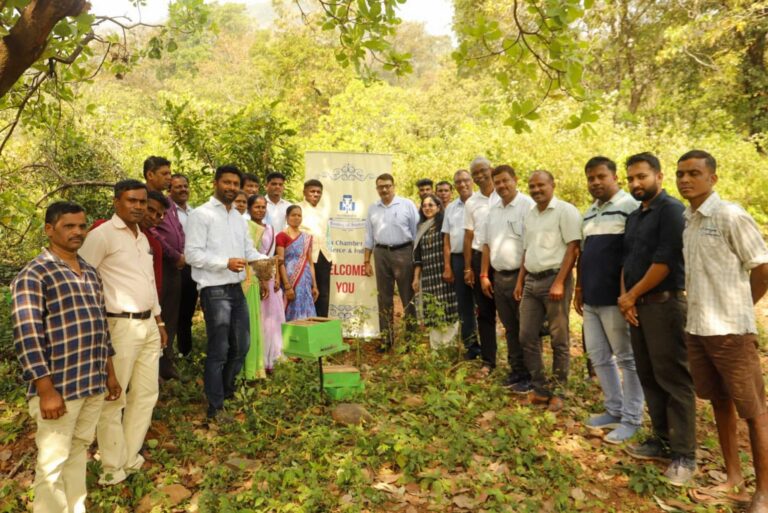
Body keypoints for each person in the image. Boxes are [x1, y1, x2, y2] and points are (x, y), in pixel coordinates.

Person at [12, 201, 121, 512]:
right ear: (49, 230)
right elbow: (28, 336)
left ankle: (75, 507)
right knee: (52, 463)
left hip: (92, 382)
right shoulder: (34, 275)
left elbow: (101, 326)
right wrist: (46, 391)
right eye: (68, 226)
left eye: (81, 225)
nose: (77, 232)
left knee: (79, 450)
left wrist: (109, 374)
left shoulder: (89, 271)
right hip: (59, 389)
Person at [676, 149, 768, 507]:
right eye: (681, 173)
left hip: (731, 331)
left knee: (754, 411)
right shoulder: (689, 219)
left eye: (694, 173)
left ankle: (763, 492)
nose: (685, 179)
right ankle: (733, 479)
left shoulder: (730, 215)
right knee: (719, 402)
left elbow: (762, 269)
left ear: (712, 178)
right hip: (698, 330)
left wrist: (742, 307)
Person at [79, 180, 167, 485]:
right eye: (132, 201)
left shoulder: (142, 238)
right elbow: (84, 282)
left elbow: (148, 282)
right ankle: (111, 467)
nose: (139, 207)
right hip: (118, 325)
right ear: (117, 202)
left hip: (147, 324)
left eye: (143, 202)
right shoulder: (101, 236)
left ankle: (129, 457)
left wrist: (159, 320)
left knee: (146, 394)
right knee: (114, 398)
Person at [619, 152, 697, 486]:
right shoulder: (635, 217)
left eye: (642, 177)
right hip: (636, 307)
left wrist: (631, 295)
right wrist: (626, 299)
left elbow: (665, 261)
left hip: (664, 305)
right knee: (648, 374)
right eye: (631, 179)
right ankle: (661, 441)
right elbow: (629, 259)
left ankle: (684, 455)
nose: (636, 184)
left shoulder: (672, 211)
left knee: (673, 378)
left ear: (659, 177)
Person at [185, 165, 268, 422]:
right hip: (214, 289)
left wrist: (267, 260)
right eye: (227, 183)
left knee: (242, 345)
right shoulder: (202, 215)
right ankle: (215, 407)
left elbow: (248, 252)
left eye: (235, 184)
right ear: (216, 183)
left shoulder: (238, 219)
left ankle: (226, 391)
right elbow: (192, 255)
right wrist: (225, 263)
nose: (231, 188)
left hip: (236, 288)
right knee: (219, 349)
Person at [574, 156, 644, 443]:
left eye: (601, 176)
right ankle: (614, 410)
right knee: (600, 358)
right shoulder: (589, 212)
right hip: (591, 299)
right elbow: (584, 254)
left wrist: (629, 296)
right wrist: (579, 290)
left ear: (614, 177)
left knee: (627, 359)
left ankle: (632, 418)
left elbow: (633, 257)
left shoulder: (631, 208)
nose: (595, 182)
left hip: (617, 301)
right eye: (591, 178)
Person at [513, 170, 581, 412]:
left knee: (559, 338)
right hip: (532, 280)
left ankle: (559, 390)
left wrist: (560, 282)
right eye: (532, 186)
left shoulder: (565, 211)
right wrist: (521, 280)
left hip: (555, 279)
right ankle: (540, 387)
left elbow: (573, 248)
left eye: (540, 185)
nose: (536, 190)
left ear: (552, 184)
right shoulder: (530, 214)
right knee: (526, 335)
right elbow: (526, 250)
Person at [479, 165, 534, 391]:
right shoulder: (493, 211)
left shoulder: (527, 206)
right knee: (509, 328)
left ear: (515, 180)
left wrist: (521, 280)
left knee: (526, 329)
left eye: (505, 181)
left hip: (521, 277)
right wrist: (484, 274)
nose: (502, 186)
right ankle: (516, 371)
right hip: (498, 277)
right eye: (497, 182)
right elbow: (486, 245)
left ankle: (531, 375)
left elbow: (528, 247)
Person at [363, 173, 419, 351]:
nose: (384, 189)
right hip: (381, 254)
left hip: (403, 252)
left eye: (387, 186)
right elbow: (369, 236)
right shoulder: (373, 208)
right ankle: (386, 340)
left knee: (407, 297)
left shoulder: (407, 205)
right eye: (381, 187)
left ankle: (411, 340)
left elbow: (416, 234)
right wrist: (366, 260)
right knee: (384, 299)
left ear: (393, 186)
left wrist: (417, 260)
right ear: (377, 188)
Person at [145, 157, 185, 381]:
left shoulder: (168, 203)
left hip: (174, 268)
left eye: (170, 174)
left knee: (171, 315)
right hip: (157, 264)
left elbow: (177, 230)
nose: (169, 178)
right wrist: (175, 255)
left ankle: (166, 362)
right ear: (150, 175)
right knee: (154, 315)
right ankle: (151, 367)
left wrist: (182, 253)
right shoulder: (144, 201)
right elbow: (153, 233)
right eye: (164, 174)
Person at [463, 157, 500, 375]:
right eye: (475, 173)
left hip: (505, 260)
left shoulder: (505, 194)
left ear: (491, 169)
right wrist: (468, 268)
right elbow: (468, 236)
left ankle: (521, 363)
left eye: (482, 171)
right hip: (479, 258)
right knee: (484, 313)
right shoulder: (472, 202)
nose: (479, 176)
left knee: (513, 312)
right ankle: (488, 361)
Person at [412, 194, 458, 349]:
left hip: (444, 274)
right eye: (424, 205)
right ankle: (436, 349)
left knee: (448, 308)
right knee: (432, 310)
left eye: (431, 205)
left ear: (439, 207)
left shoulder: (444, 224)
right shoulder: (421, 228)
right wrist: (416, 278)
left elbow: (450, 248)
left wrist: (449, 269)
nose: (427, 208)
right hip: (429, 277)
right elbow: (417, 257)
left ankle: (449, 347)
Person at [442, 170, 478, 359]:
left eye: (465, 180)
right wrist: (447, 266)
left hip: (478, 257)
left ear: (472, 181)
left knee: (483, 304)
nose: (462, 184)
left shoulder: (484, 203)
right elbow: (447, 238)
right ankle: (471, 347)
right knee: (464, 306)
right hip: (456, 259)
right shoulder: (451, 208)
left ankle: (489, 347)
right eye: (458, 182)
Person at [247, 195, 285, 373]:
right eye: (256, 207)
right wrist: (262, 278)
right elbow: (250, 255)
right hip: (255, 276)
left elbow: (274, 256)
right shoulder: (247, 228)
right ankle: (261, 359)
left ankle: (274, 357)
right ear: (249, 209)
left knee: (275, 318)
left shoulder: (270, 228)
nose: (260, 210)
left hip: (271, 274)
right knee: (261, 319)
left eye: (263, 207)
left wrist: (276, 277)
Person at [169, 173, 197, 357]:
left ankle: (185, 352)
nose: (183, 189)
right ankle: (166, 354)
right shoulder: (167, 211)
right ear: (169, 189)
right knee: (171, 311)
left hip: (192, 268)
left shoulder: (193, 212)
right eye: (178, 186)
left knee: (187, 312)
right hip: (174, 266)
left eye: (185, 186)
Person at [299, 179, 334, 317]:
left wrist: (330, 254)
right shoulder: (298, 209)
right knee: (308, 292)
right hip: (306, 256)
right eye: (312, 191)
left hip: (324, 255)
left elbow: (328, 234)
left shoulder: (323, 211)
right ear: (304, 192)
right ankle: (308, 325)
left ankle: (321, 326)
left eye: (318, 192)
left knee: (324, 294)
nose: (315, 194)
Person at [277, 205, 319, 320]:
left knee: (307, 310)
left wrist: (314, 285)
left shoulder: (307, 237)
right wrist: (287, 286)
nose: (296, 218)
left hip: (305, 281)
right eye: (293, 215)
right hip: (290, 281)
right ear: (287, 217)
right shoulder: (281, 236)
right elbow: (280, 262)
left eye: (299, 215)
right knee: (290, 310)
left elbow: (310, 263)